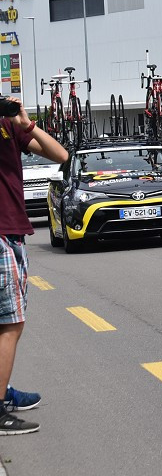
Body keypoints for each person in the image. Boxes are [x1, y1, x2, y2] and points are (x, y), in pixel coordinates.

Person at [0, 97, 67, 435]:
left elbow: (61, 155)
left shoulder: (8, 124)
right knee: (10, 324)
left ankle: (2, 390)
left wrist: (25, 123)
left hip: (12, 232)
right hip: (1, 233)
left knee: (8, 323)